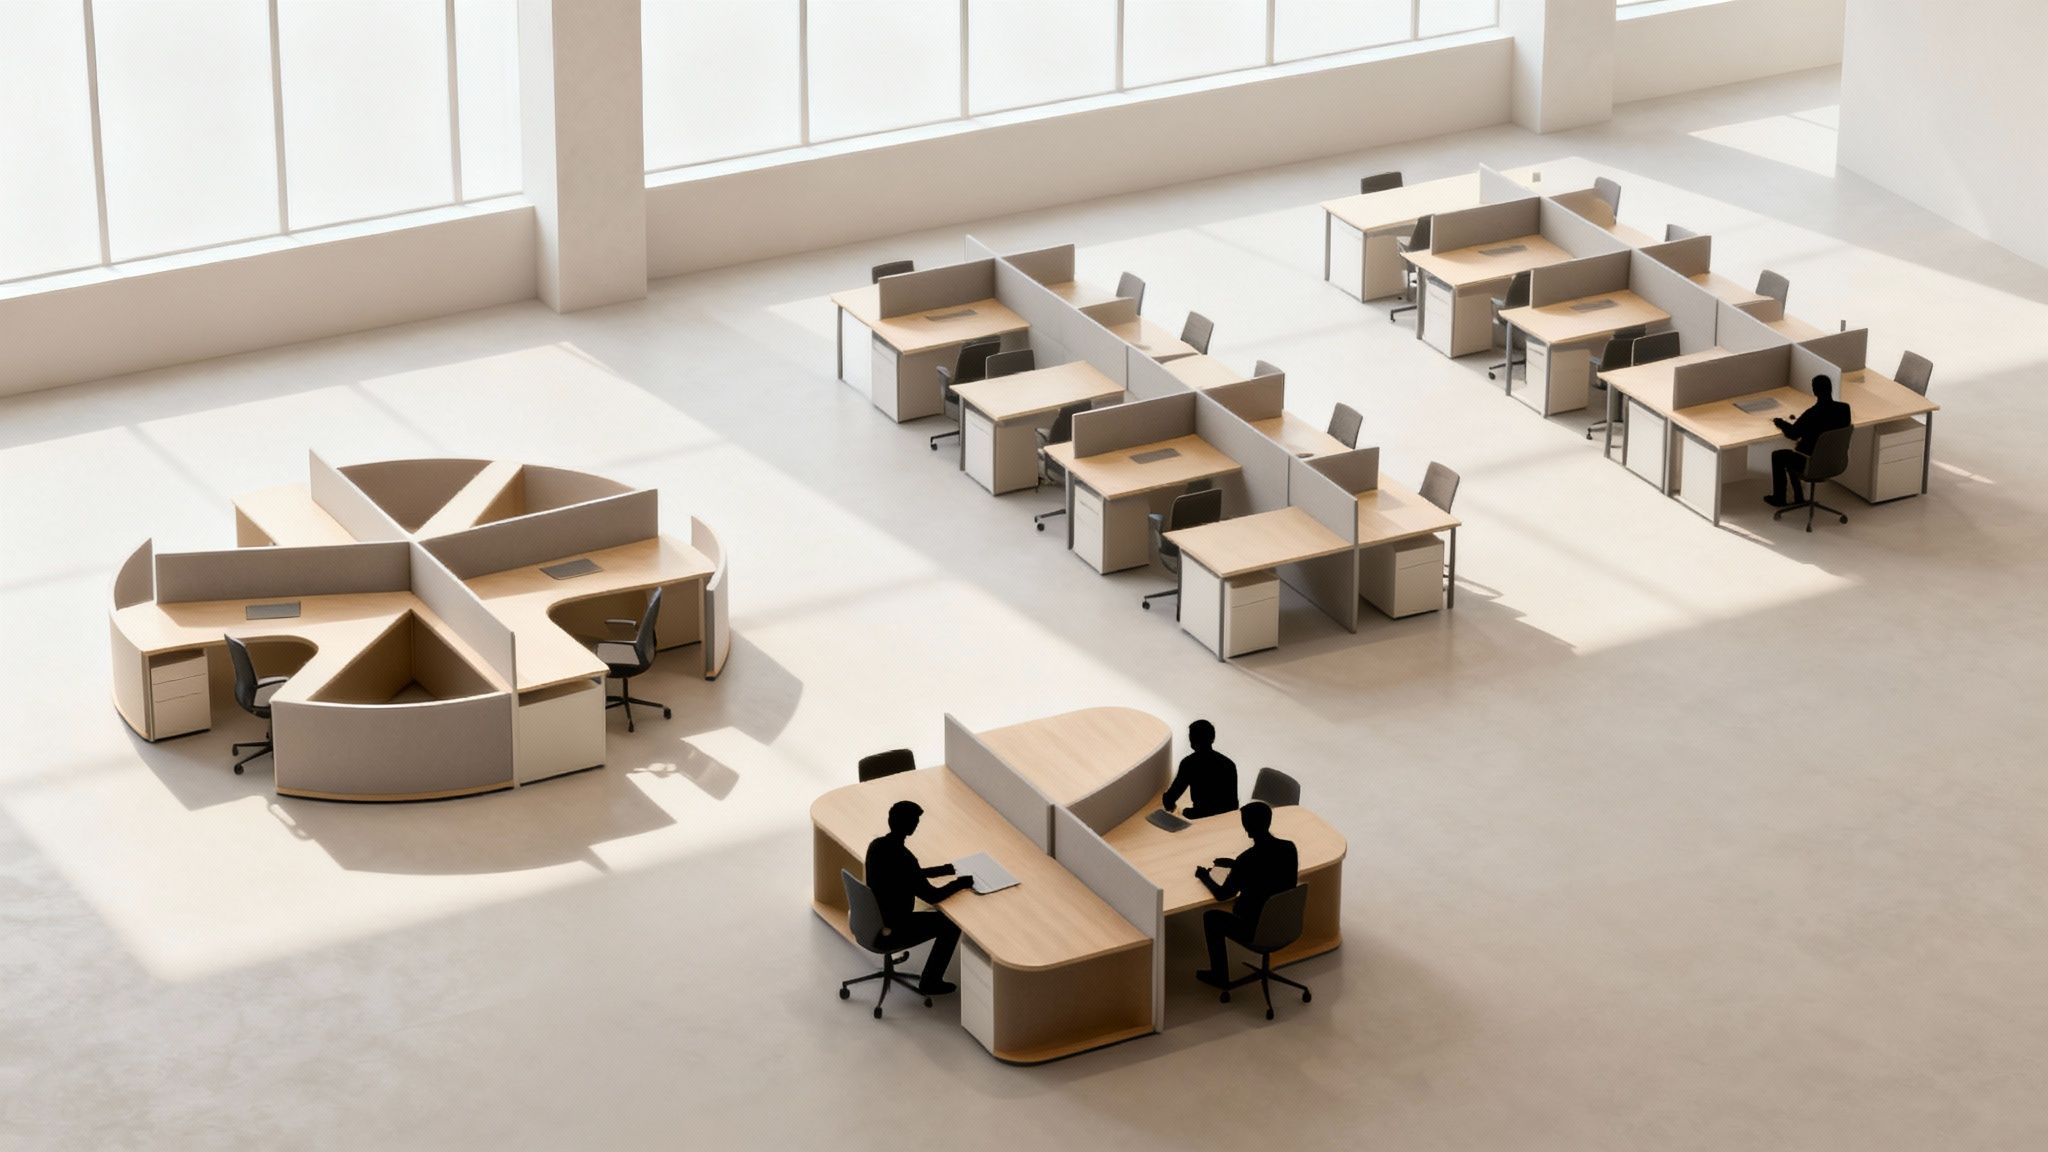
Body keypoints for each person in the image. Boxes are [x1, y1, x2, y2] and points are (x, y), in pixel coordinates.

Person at [863, 800, 974, 996]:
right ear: (911, 825)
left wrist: (943, 870)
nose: (917, 824)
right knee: (950, 925)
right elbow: (933, 896)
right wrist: (960, 883)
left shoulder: (877, 846)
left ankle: (931, 979)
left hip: (873, 916)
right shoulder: (905, 858)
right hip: (896, 923)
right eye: (915, 821)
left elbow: (907, 874)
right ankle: (930, 982)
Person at [1194, 802, 1298, 988]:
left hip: (1255, 928)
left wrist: (1204, 876)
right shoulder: (1289, 849)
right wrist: (1235, 865)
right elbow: (1268, 870)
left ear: (1247, 827)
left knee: (1211, 917)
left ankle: (1219, 976)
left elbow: (1222, 894)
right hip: (1284, 921)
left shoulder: (1247, 860)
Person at [1767, 375, 1851, 507]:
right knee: (1794, 454)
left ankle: (1780, 498)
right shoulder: (1844, 409)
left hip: (1811, 463)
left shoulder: (1812, 413)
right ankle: (1798, 495)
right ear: (1831, 389)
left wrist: (1780, 422)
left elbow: (1793, 434)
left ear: (1814, 391)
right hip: (1835, 463)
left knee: (1778, 455)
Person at [1162, 719, 1238, 818]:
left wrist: (1171, 807)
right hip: (1225, 819)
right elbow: (1233, 805)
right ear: (1212, 738)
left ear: (1192, 739)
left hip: (1199, 815)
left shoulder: (1189, 763)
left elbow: (1171, 797)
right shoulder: (1229, 764)